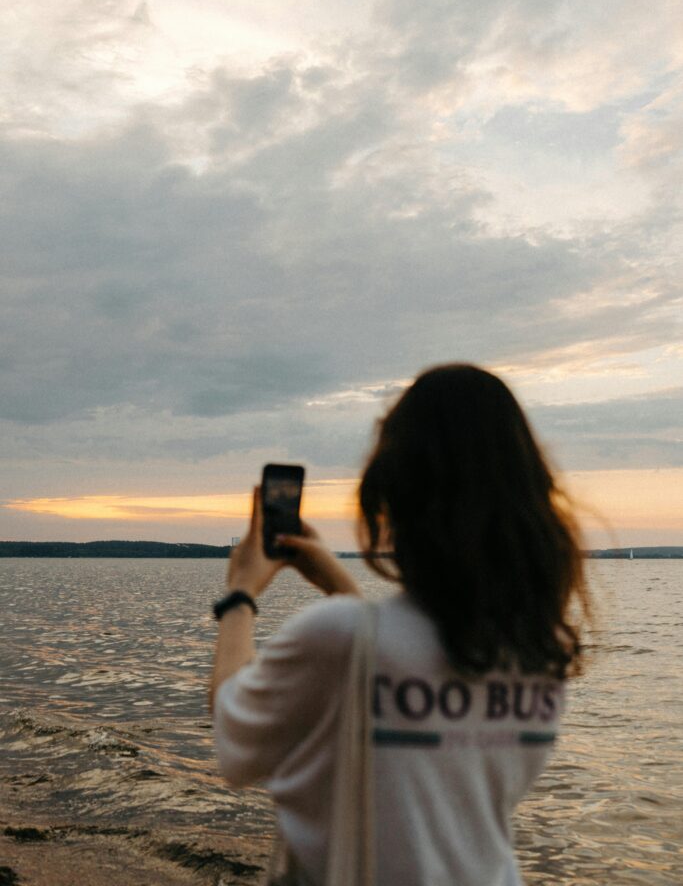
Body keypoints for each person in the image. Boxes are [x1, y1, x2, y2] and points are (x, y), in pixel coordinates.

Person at [210, 364, 592, 886]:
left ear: (393, 493)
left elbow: (236, 743)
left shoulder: (338, 636)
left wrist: (240, 594)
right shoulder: (542, 650)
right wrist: (343, 588)